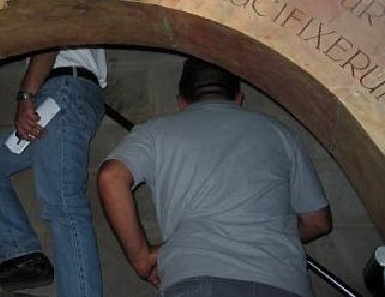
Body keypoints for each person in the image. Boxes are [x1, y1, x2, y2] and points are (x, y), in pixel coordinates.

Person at [97, 56, 332, 297]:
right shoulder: (280, 133)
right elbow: (318, 222)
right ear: (239, 99)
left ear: (181, 103)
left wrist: (141, 257)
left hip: (197, 279)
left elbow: (111, 176)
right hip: (283, 281)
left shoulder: (155, 132)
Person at [0, 48, 107, 296]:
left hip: (64, 91)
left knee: (63, 203)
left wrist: (25, 96)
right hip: (67, 95)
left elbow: (51, 38)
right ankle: (23, 255)